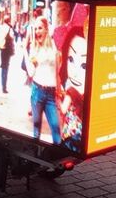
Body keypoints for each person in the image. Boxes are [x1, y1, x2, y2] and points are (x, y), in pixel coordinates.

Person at [26, 16, 61, 144]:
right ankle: (35, 159)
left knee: (56, 129)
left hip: (51, 94)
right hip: (38, 91)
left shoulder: (54, 47)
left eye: (40, 28)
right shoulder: (34, 48)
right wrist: (27, 51)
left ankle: (57, 158)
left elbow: (57, 73)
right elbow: (31, 73)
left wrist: (58, 94)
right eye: (35, 29)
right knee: (36, 131)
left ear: (46, 29)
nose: (37, 32)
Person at [58, 23, 87, 153]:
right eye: (70, 59)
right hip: (80, 133)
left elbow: (63, 110)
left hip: (71, 134)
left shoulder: (70, 91)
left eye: (84, 66)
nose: (74, 72)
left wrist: (56, 99)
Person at [0, 13, 15, 93]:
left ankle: (2, 85)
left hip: (2, 49)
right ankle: (4, 87)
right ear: (9, 21)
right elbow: (12, 38)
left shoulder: (1, 28)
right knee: (6, 67)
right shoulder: (10, 29)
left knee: (3, 67)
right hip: (7, 50)